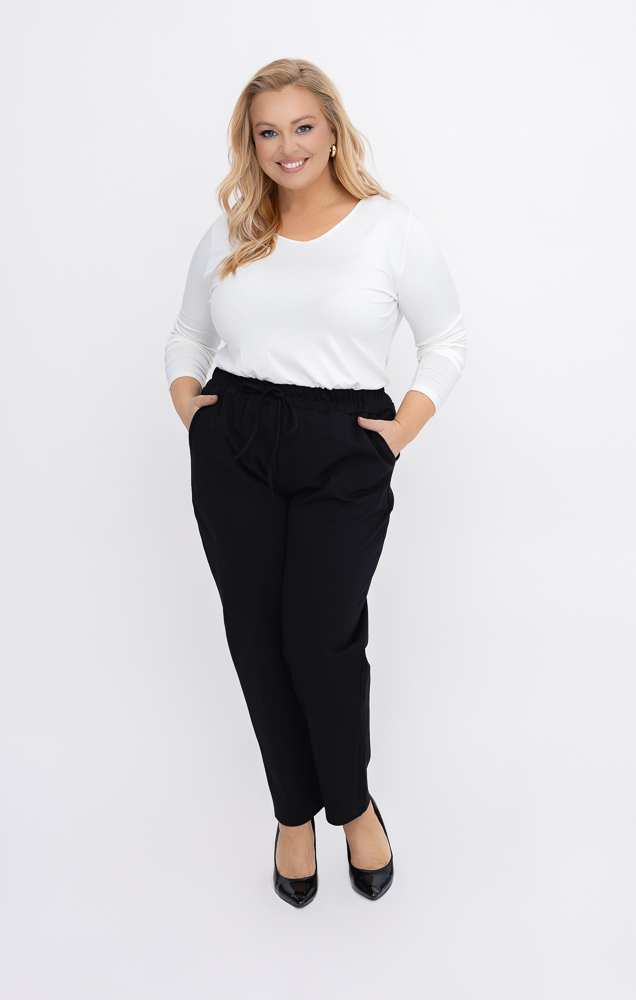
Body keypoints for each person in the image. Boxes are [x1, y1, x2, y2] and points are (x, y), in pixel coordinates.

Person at [164, 58, 467, 907]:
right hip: (238, 439)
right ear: (250, 143)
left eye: (302, 126)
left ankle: (352, 804)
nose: (286, 146)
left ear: (332, 130)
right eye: (267, 131)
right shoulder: (232, 230)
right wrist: (193, 409)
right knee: (256, 636)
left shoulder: (388, 229)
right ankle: (292, 814)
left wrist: (401, 430)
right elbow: (187, 334)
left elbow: (445, 341)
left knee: (319, 636)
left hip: (343, 442)